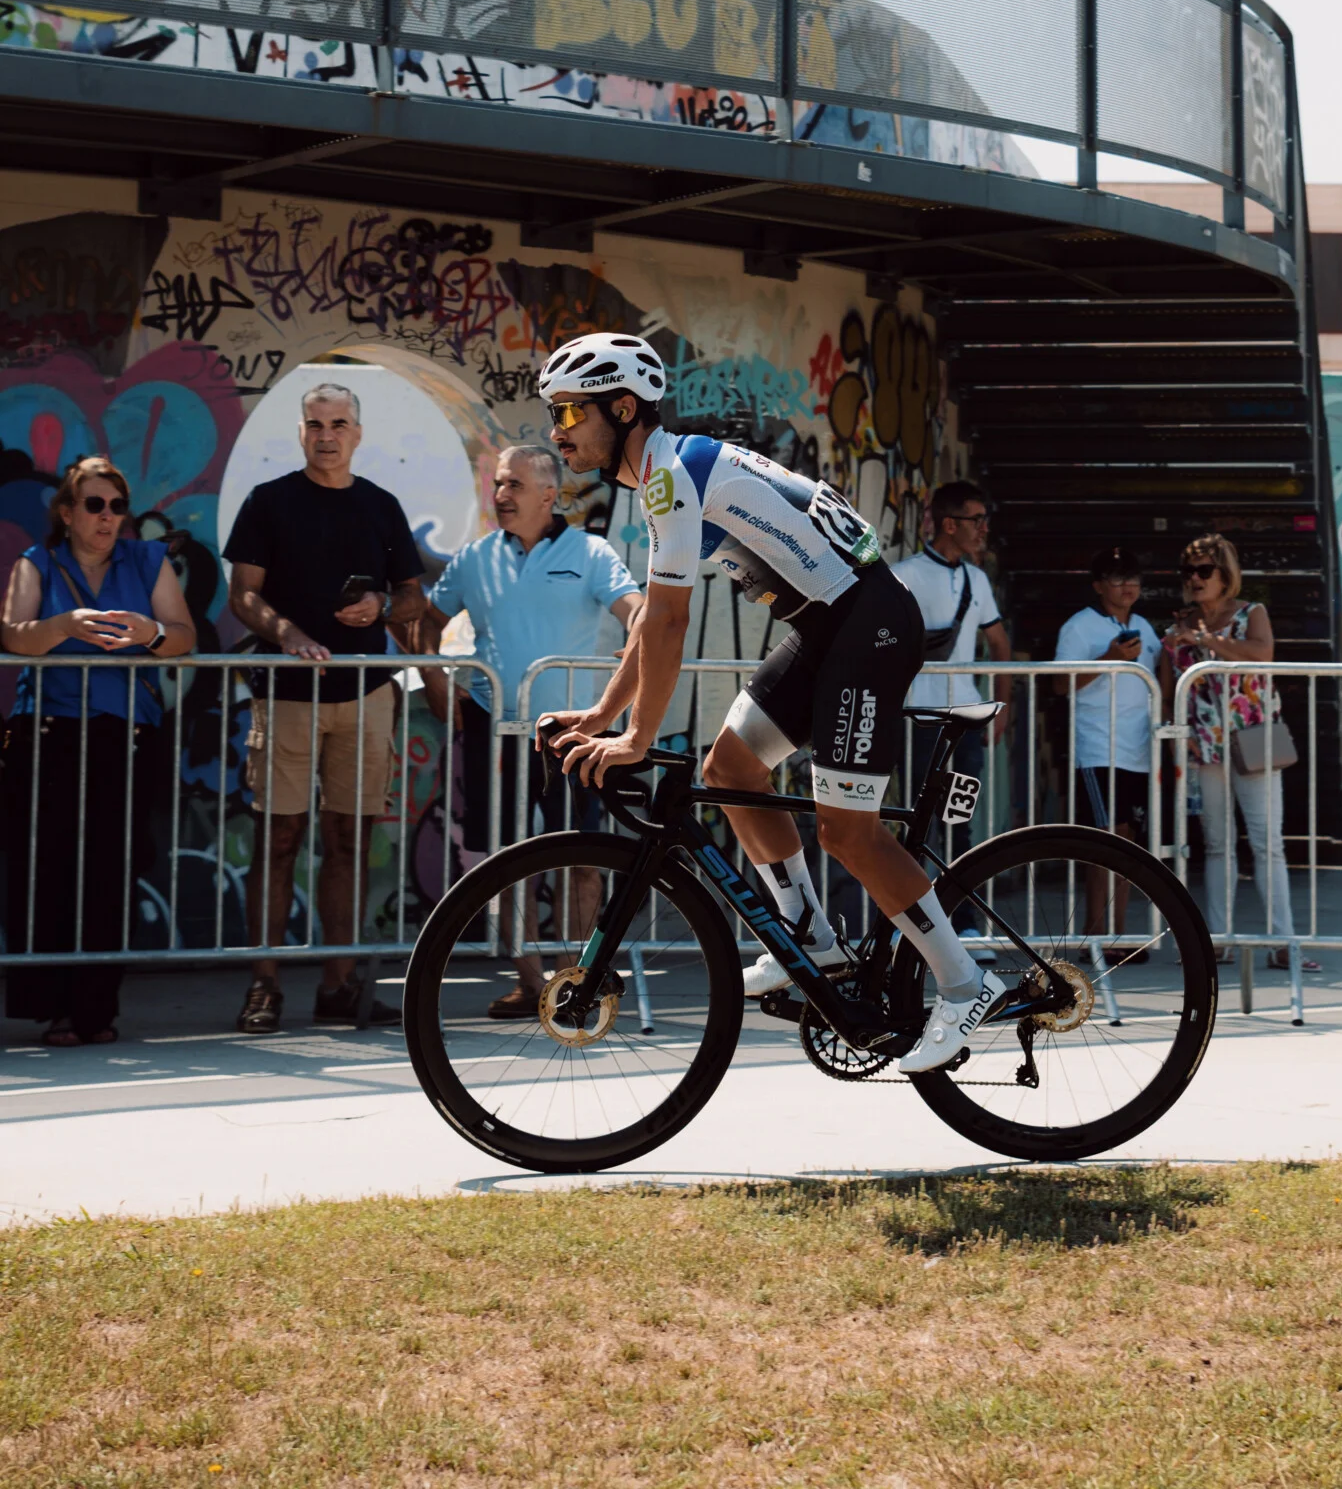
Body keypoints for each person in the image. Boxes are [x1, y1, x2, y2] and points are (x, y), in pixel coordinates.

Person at [537, 331, 1012, 1074]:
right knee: (729, 773)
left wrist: (636, 737)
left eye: (568, 414)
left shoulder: (670, 475)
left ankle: (965, 982)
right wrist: (604, 717)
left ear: (622, 407)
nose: (557, 431)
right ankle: (809, 939)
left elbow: (667, 621)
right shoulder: (665, 470)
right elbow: (652, 621)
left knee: (848, 832)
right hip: (830, 625)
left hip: (869, 624)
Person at [223, 382, 429, 1034]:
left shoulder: (381, 506)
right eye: (315, 423)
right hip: (287, 696)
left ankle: (339, 985)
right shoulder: (269, 502)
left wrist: (383, 610)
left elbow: (414, 597)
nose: (326, 434)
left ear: (357, 433)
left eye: (338, 423)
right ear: (302, 431)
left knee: (349, 841)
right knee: (278, 840)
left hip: (365, 695)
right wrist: (287, 634)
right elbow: (241, 595)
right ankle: (264, 986)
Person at [417, 442, 642, 1018]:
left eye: (514, 484)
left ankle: (575, 983)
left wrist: (639, 639)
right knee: (504, 861)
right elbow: (427, 622)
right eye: (497, 484)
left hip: (572, 736)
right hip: (495, 731)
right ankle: (530, 982)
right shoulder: (474, 558)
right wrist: (436, 680)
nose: (501, 495)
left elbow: (636, 609)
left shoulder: (591, 552)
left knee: (582, 859)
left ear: (549, 494)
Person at [0, 456, 195, 1044]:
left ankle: (94, 1010)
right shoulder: (38, 562)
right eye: (94, 505)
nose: (107, 517)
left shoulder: (147, 560)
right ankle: (53, 1004)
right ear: (67, 512)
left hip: (124, 735)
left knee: (111, 871)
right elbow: (13, 634)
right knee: (49, 869)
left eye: (116, 506)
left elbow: (182, 637)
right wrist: (64, 627)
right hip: (50, 733)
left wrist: (149, 634)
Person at [1157, 533, 1315, 972]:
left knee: (1268, 842)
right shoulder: (1177, 627)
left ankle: (1283, 940)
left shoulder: (1251, 613)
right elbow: (1167, 688)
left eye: (1204, 570)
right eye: (1188, 571)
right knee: (1216, 844)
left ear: (1226, 573)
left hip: (1254, 734)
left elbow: (1262, 654)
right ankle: (1217, 940)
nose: (1194, 579)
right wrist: (1178, 729)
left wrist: (1208, 641)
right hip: (1205, 741)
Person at [890, 482, 1011, 944]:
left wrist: (1003, 707)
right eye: (976, 520)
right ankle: (910, 926)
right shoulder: (906, 575)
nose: (983, 530)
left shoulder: (978, 580)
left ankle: (962, 923)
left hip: (970, 719)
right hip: (921, 718)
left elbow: (999, 643)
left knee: (960, 821)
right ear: (949, 524)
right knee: (918, 822)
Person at [1054, 544, 1159, 961]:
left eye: (1133, 578)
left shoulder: (1146, 627)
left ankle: (1117, 935)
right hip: (1098, 749)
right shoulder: (1079, 627)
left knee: (1129, 843)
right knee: (1104, 842)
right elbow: (1059, 685)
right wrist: (1110, 658)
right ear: (1099, 586)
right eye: (1117, 579)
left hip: (1138, 752)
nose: (1127, 586)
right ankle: (1094, 935)